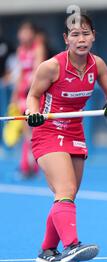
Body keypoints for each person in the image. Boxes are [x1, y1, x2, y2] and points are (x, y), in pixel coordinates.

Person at [26, 14, 107, 262]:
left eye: (86, 33)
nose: (81, 39)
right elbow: (33, 96)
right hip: (47, 132)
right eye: (75, 34)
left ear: (93, 36)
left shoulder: (97, 64)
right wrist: (32, 113)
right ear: (66, 39)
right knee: (65, 190)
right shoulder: (51, 67)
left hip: (75, 133)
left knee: (66, 194)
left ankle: (47, 250)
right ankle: (71, 246)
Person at [10, 22, 46, 178]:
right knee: (26, 131)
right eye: (21, 32)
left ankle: (35, 164)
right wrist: (14, 95)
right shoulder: (20, 50)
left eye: (26, 32)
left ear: (32, 33)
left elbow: (39, 71)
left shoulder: (38, 48)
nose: (23, 35)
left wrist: (32, 89)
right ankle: (28, 164)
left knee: (34, 129)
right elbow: (18, 75)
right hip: (22, 94)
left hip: (33, 92)